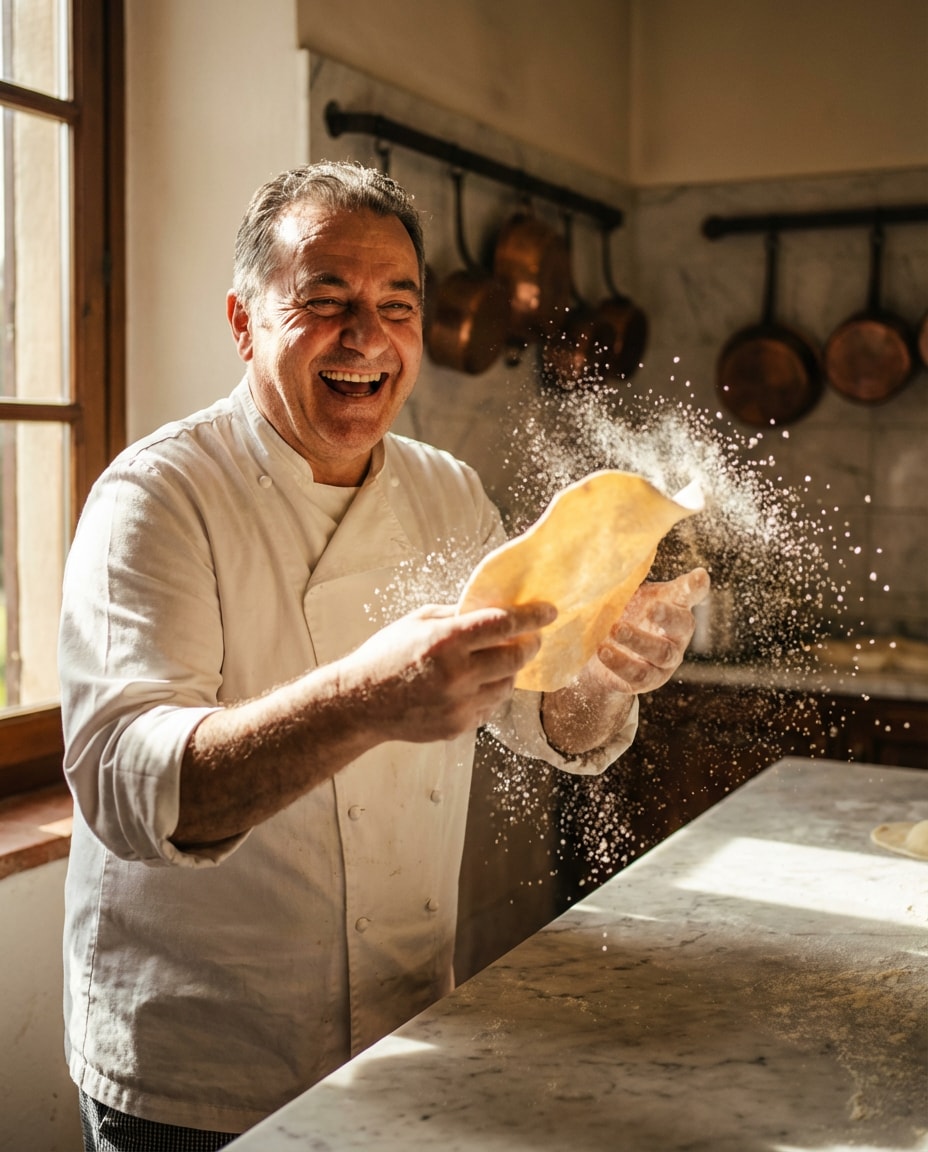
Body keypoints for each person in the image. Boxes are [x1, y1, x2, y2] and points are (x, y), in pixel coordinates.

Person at [59, 161, 709, 1150]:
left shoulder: (447, 494)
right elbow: (125, 786)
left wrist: (601, 672)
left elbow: (542, 720)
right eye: (324, 301)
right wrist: (367, 700)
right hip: (197, 1071)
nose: (367, 336)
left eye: (395, 304)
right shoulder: (158, 498)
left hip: (404, 1031)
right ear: (242, 322)